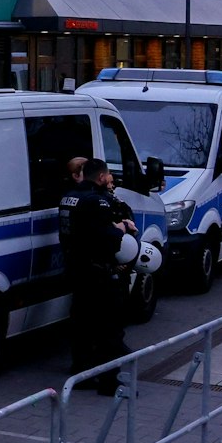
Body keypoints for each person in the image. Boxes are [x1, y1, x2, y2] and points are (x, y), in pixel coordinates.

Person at [63, 159, 137, 394]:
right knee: (109, 328)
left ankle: (81, 374)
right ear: (101, 177)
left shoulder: (69, 197)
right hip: (98, 272)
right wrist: (122, 228)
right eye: (108, 176)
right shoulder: (97, 200)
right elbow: (107, 238)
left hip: (77, 269)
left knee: (82, 325)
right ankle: (109, 382)